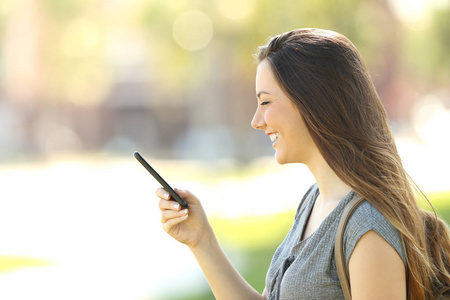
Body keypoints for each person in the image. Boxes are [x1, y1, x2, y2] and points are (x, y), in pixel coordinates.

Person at [155, 28, 450, 300]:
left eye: (266, 102)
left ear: (313, 102)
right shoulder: (314, 201)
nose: (257, 121)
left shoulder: (367, 225)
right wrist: (202, 241)